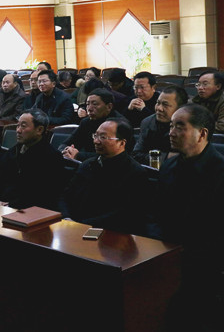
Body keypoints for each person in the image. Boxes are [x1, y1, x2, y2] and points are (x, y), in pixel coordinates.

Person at [153, 104, 224, 332]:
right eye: (171, 126)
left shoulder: (219, 172)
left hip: (205, 261)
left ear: (202, 133)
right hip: (166, 250)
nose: (171, 132)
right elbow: (158, 210)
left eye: (179, 127)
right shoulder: (170, 165)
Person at [59, 118, 150, 235]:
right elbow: (66, 195)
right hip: (73, 227)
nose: (96, 141)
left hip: (110, 234)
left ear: (122, 143)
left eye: (103, 137)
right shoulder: (87, 165)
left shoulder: (135, 173)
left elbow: (124, 214)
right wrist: (67, 217)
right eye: (95, 136)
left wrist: (81, 225)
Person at [0, 109, 67, 210]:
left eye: (23, 126)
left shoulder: (52, 157)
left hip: (29, 211)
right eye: (18, 125)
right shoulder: (13, 151)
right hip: (2, 205)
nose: (18, 130)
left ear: (39, 130)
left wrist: (11, 204)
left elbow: (44, 195)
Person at [61, 88, 127, 162]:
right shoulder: (86, 122)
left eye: (95, 104)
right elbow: (66, 143)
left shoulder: (120, 124)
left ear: (109, 107)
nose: (89, 109)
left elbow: (111, 155)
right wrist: (66, 151)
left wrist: (78, 155)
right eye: (87, 104)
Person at [132, 85, 188, 166]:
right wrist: (165, 157)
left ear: (180, 109)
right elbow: (136, 155)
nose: (159, 108)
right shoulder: (148, 122)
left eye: (165, 105)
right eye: (158, 103)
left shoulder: (188, 127)